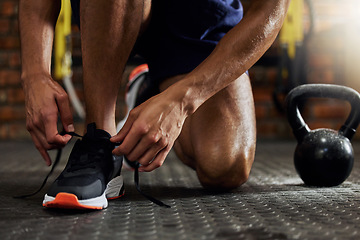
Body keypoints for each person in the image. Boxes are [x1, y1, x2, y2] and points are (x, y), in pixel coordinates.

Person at [19, 0, 290, 209]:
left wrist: (182, 100)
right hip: (111, 7)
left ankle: (151, 93)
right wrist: (34, 73)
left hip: (198, 15)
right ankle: (99, 140)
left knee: (225, 166)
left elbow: (271, 9)